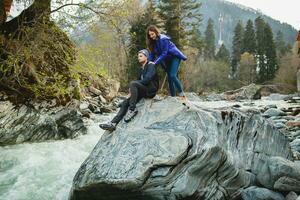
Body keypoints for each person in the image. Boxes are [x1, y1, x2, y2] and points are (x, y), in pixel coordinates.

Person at [99, 49, 159, 131]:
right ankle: (113, 123)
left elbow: (147, 79)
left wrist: (133, 86)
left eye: (141, 56)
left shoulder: (151, 65)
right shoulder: (141, 68)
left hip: (150, 90)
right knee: (125, 102)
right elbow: (138, 82)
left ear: (146, 57)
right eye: (138, 56)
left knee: (133, 83)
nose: (139, 58)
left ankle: (132, 109)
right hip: (144, 90)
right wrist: (132, 92)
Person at [146, 25, 187, 99]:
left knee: (172, 75)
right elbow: (152, 54)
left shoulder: (163, 39)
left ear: (156, 32)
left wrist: (155, 62)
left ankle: (182, 95)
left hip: (174, 57)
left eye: (152, 34)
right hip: (166, 60)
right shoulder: (153, 43)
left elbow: (164, 53)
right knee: (169, 79)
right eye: (150, 35)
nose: (151, 36)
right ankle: (173, 97)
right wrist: (148, 62)